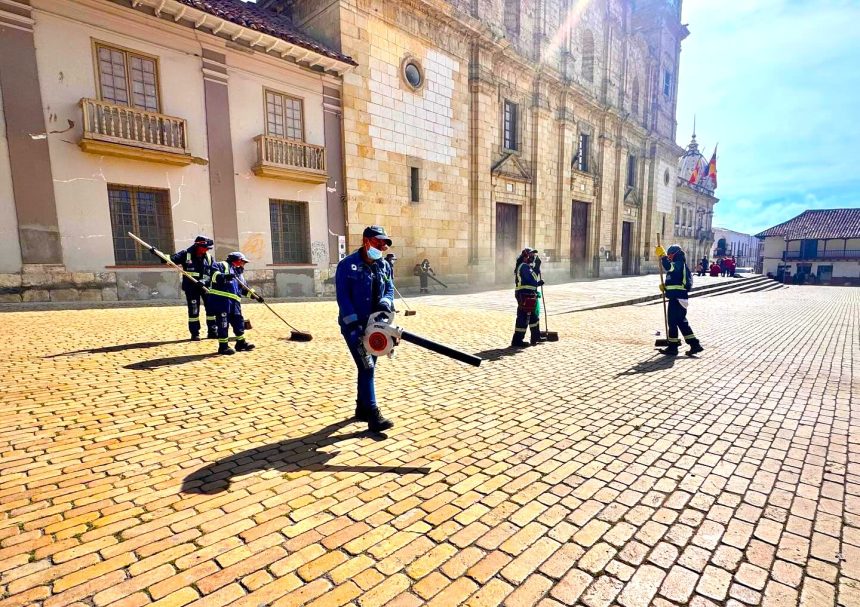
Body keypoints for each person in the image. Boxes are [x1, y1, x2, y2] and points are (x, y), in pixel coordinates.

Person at [335, 226, 396, 432]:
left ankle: (361, 408)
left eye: (385, 243)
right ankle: (372, 414)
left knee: (367, 367)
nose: (383, 246)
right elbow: (343, 297)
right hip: (355, 326)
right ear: (366, 241)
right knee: (367, 366)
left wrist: (385, 303)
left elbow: (389, 288)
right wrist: (353, 325)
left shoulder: (383, 266)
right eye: (379, 242)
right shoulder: (347, 265)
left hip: (377, 325)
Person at [162, 235, 217, 340]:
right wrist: (159, 254)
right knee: (194, 311)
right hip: (191, 287)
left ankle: (213, 331)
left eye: (208, 248)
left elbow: (213, 272)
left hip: (206, 287)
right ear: (198, 246)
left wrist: (204, 281)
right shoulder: (185, 254)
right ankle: (195, 333)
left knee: (211, 309)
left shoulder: (209, 257)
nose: (206, 250)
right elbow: (170, 260)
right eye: (205, 248)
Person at [207, 252, 262, 355]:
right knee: (223, 323)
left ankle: (241, 343)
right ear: (238, 260)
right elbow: (214, 276)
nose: (243, 265)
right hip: (221, 301)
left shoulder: (239, 274)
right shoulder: (220, 265)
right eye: (243, 262)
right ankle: (223, 347)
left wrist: (255, 296)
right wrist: (225, 276)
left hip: (234, 303)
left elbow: (244, 289)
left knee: (238, 321)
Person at [654, 244, 704, 356]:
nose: (669, 256)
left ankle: (673, 347)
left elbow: (669, 267)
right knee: (681, 323)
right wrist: (666, 288)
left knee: (672, 323)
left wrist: (662, 256)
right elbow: (675, 281)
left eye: (670, 254)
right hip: (678, 298)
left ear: (676, 254)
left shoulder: (679, 263)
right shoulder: (679, 265)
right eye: (668, 255)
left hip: (677, 299)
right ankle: (695, 345)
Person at [511, 247, 545, 348]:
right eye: (531, 255)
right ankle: (517, 341)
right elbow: (533, 279)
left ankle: (536, 336)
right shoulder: (524, 267)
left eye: (534, 255)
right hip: (523, 294)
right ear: (525, 256)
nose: (533, 257)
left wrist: (537, 282)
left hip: (529, 293)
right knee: (523, 317)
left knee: (534, 316)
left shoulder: (527, 266)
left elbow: (532, 279)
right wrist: (537, 267)